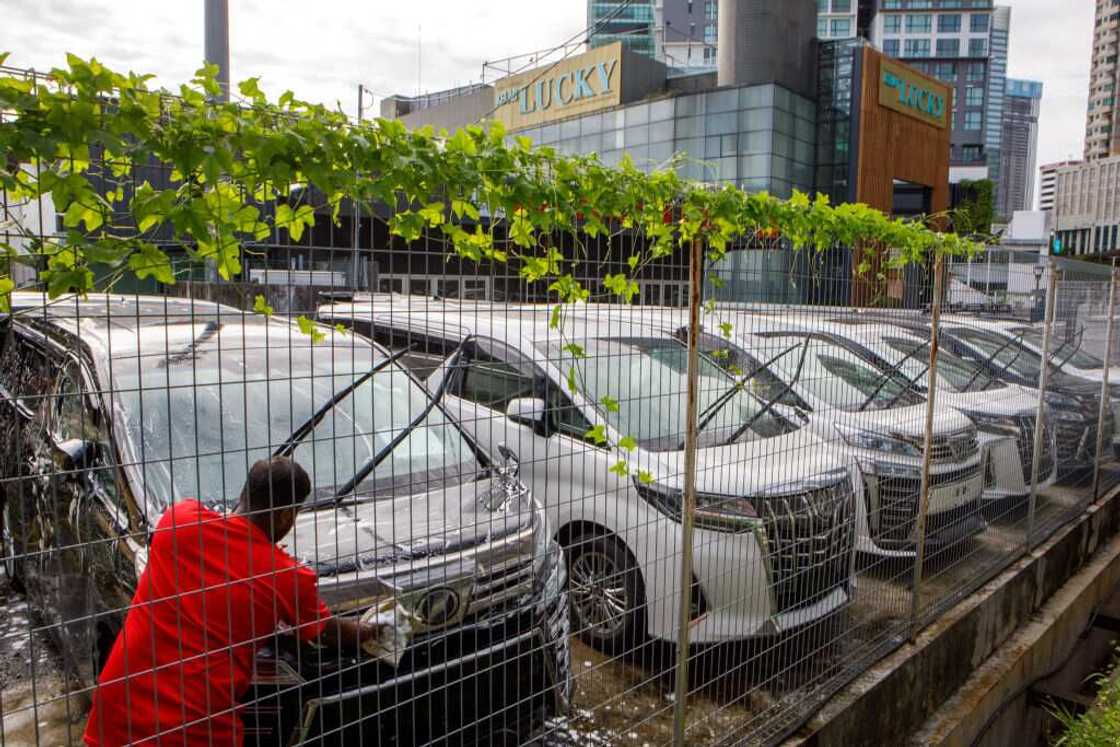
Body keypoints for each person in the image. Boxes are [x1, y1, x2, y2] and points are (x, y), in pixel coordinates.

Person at [83, 456, 378, 746]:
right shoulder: (286, 577)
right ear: (286, 516)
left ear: (244, 493)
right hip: (197, 729)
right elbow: (326, 631)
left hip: (120, 714)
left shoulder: (178, 521)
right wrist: (370, 629)